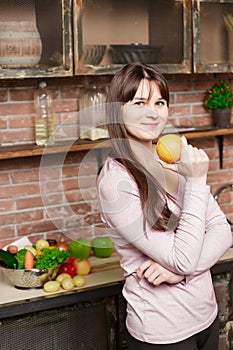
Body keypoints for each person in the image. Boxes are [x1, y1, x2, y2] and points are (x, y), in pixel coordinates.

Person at [97, 62, 233, 350]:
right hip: (163, 332)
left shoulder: (173, 158)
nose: (153, 111)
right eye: (140, 102)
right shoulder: (117, 180)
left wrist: (183, 272)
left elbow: (222, 229)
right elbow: (180, 256)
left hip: (206, 318)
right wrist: (196, 182)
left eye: (160, 101)